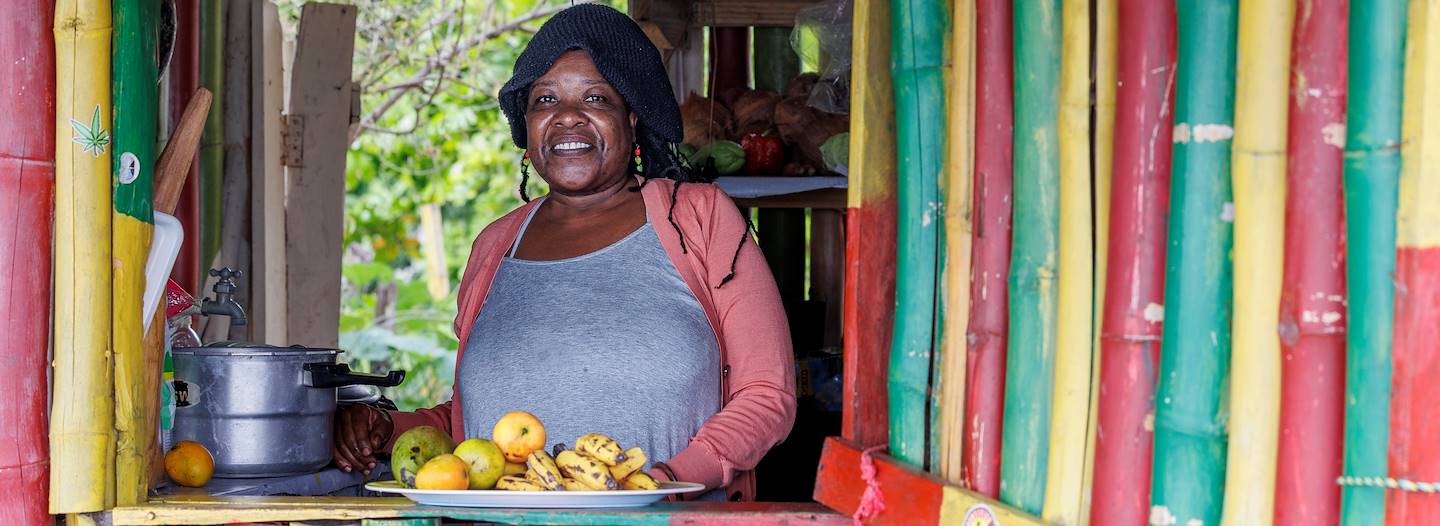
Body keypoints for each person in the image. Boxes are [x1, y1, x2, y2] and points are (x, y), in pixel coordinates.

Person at [330, 4, 797, 501]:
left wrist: (662, 483)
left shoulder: (698, 221)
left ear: (632, 115)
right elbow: (476, 423)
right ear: (526, 123)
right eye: (545, 99)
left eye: (595, 98)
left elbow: (767, 396)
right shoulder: (495, 244)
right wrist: (389, 429)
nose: (567, 116)